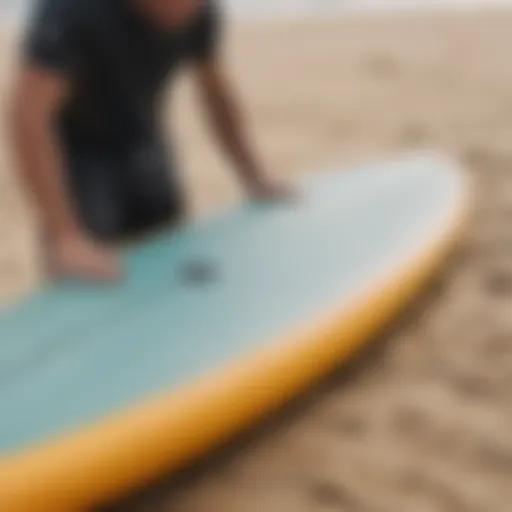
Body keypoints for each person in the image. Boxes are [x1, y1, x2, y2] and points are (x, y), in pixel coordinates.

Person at [8, 0, 286, 282]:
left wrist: (255, 178)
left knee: (169, 272)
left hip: (143, 142)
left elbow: (216, 93)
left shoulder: (199, 11)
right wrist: (64, 235)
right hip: (80, 159)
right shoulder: (72, 10)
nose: (187, 12)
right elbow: (29, 118)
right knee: (82, 278)